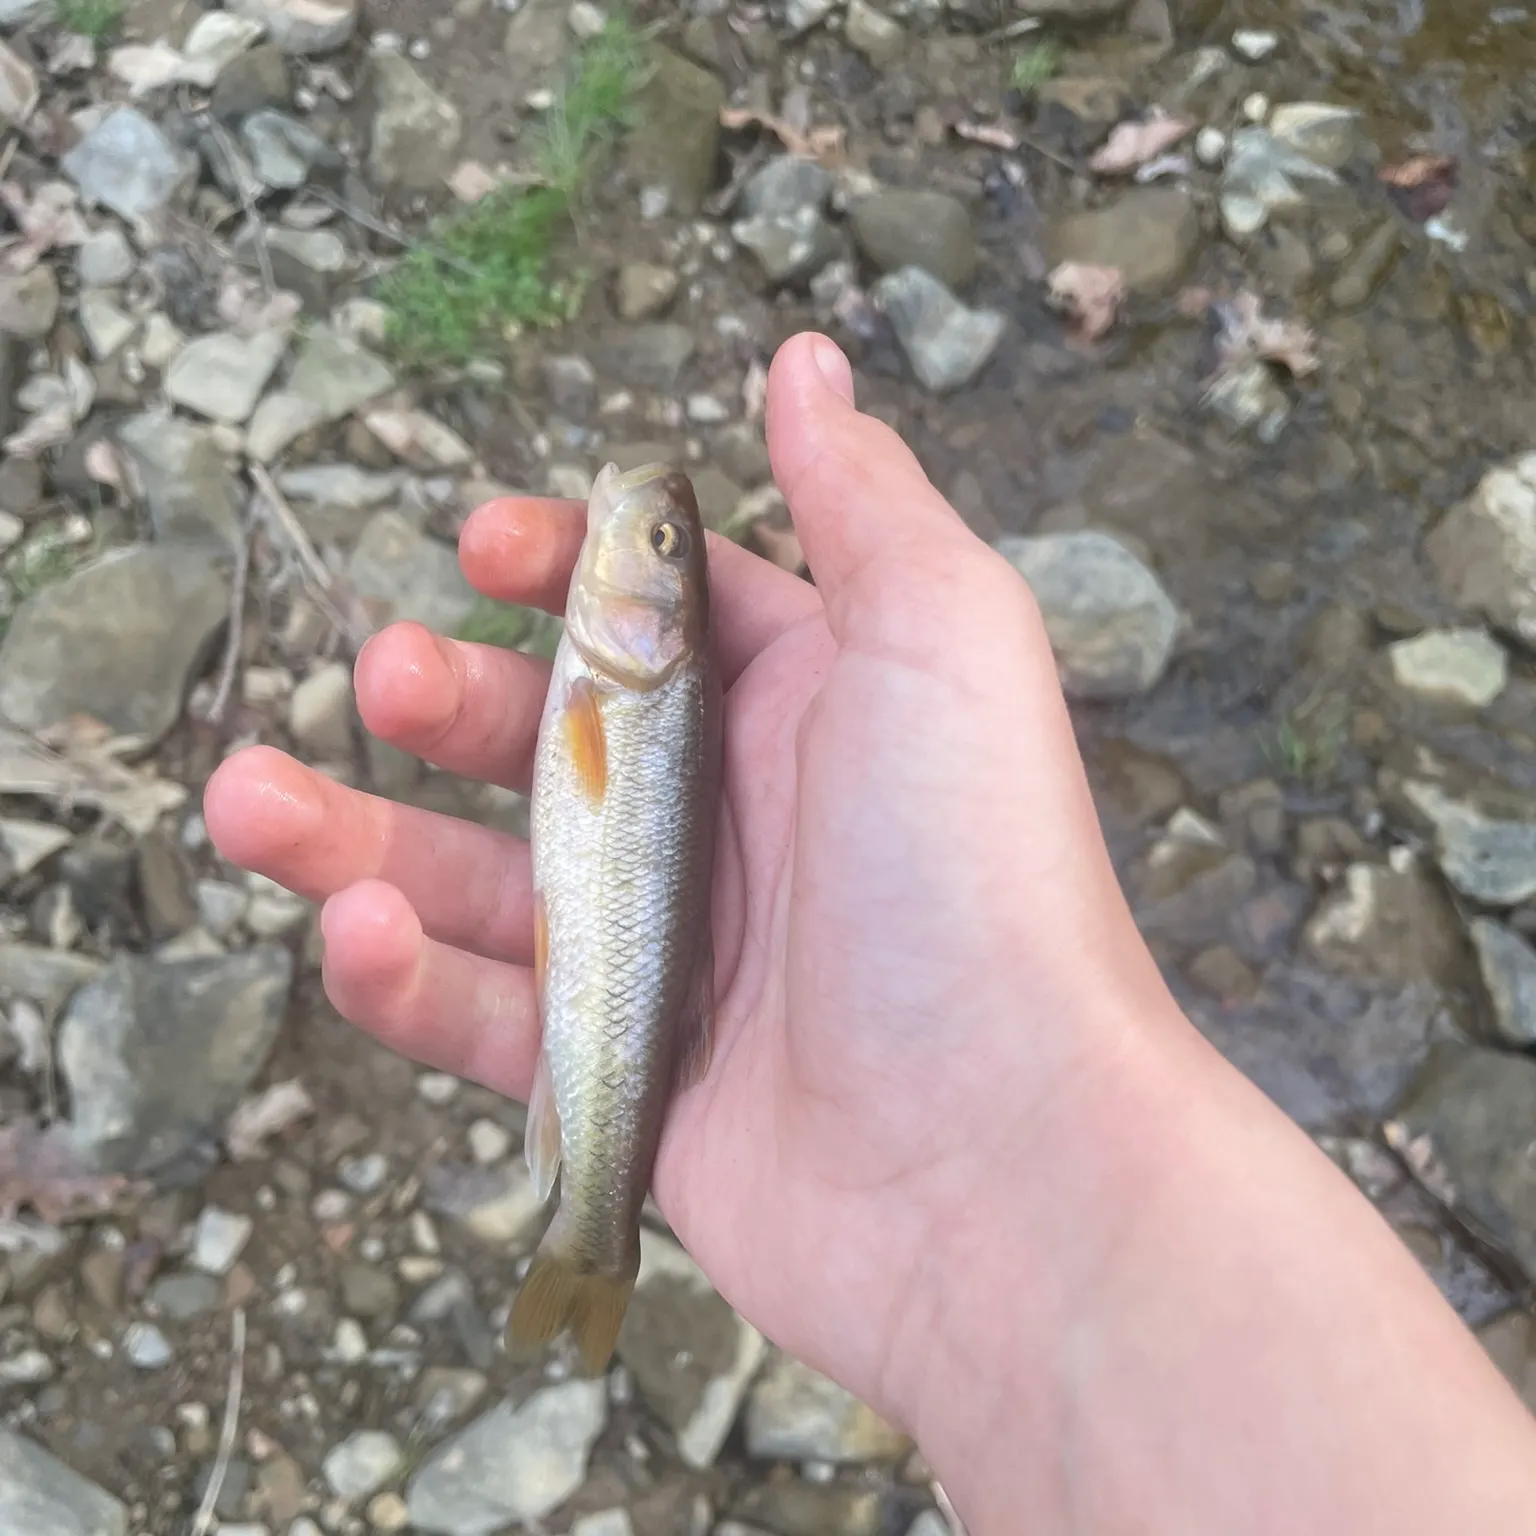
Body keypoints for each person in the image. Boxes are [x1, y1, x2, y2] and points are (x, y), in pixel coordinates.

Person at [204, 332, 1536, 1532]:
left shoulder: (641, 684)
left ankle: (585, 1234)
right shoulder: (637, 685)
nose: (642, 536)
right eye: (664, 548)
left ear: (660, 611)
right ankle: (586, 1228)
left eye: (658, 552)